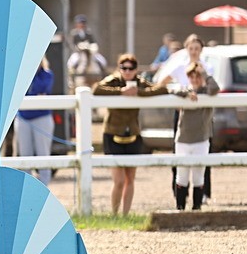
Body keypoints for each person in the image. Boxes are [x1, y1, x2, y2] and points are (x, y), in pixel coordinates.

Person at [93, 53, 167, 215]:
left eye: (130, 68)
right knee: (118, 181)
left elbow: (159, 89)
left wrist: (138, 92)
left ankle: (125, 215)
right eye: (123, 68)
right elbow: (96, 89)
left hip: (133, 134)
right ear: (119, 69)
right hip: (112, 134)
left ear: (136, 70)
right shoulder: (113, 80)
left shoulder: (139, 82)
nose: (127, 71)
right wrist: (121, 91)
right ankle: (114, 214)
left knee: (130, 179)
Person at [173, 62, 219, 210]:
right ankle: (180, 207)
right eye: (191, 76)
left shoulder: (206, 92)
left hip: (201, 139)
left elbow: (215, 88)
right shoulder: (184, 90)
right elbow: (172, 91)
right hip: (183, 140)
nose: (195, 79)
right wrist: (186, 95)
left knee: (198, 176)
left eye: (197, 76)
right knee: (182, 176)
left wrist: (205, 73)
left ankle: (196, 207)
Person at [14, 57, 54, 185]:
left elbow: (41, 88)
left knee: (43, 152)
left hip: (42, 118)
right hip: (22, 118)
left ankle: (44, 185)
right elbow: (17, 93)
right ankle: (27, 185)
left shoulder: (47, 75)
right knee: (25, 153)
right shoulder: (19, 75)